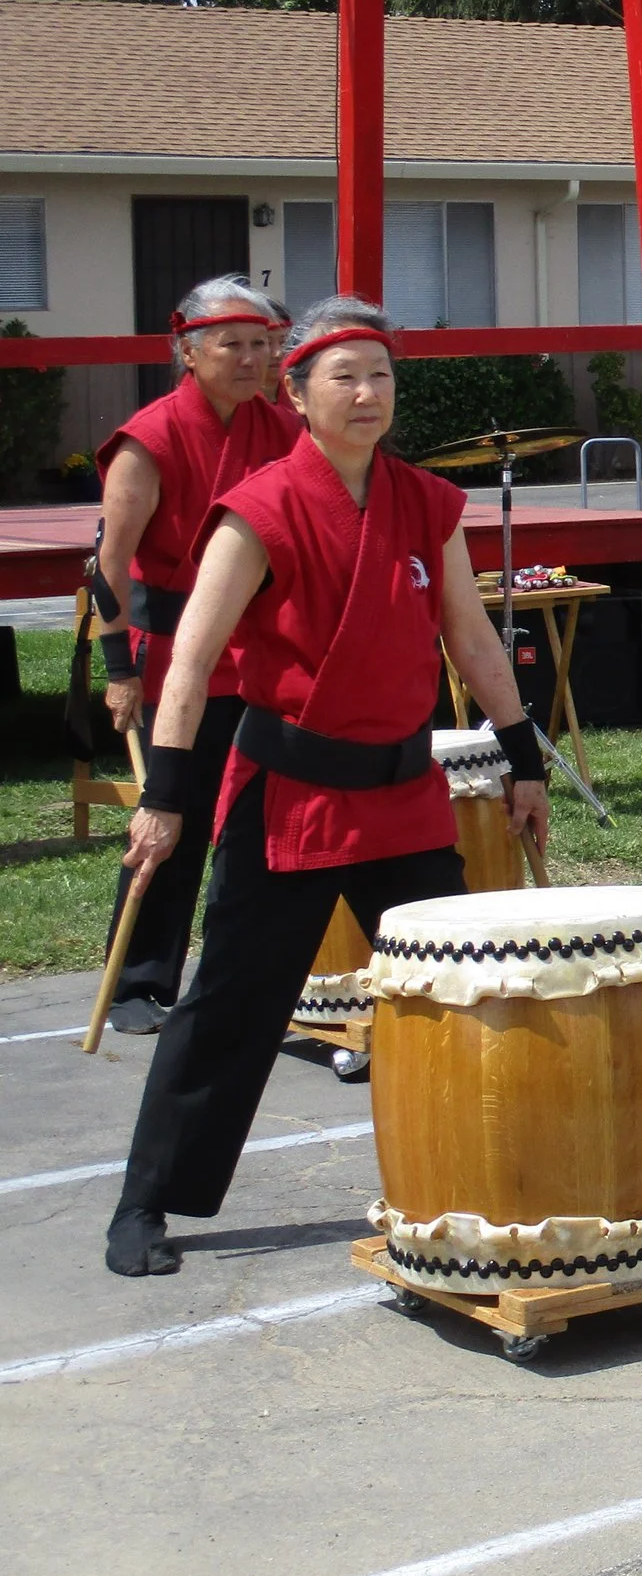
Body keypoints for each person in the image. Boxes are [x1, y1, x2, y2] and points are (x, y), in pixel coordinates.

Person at [105, 295, 550, 1278]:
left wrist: (522, 755)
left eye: (381, 375)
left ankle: (481, 1176)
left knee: (461, 993)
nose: (366, 394)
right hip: (292, 802)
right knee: (230, 1007)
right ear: (295, 393)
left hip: (403, 798)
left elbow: (472, 639)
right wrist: (165, 793)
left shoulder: (426, 504)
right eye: (342, 377)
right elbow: (191, 663)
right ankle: (146, 1202)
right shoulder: (257, 510)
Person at [89, 276, 301, 1035]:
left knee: (257, 822)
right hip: (172, 653)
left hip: (260, 649)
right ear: (188, 350)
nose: (253, 360)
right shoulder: (148, 439)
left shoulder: (280, 428)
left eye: (263, 345)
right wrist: (118, 673)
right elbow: (108, 567)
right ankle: (139, 979)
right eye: (232, 345)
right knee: (168, 816)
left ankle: (243, 972)